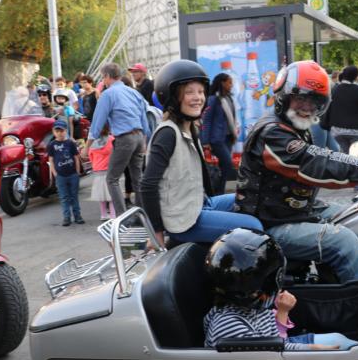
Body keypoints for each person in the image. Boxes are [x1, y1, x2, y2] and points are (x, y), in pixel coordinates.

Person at [236, 60, 358, 283]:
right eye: (301, 98)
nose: (307, 107)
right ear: (284, 95)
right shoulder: (273, 134)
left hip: (293, 211)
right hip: (270, 224)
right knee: (343, 241)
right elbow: (322, 164)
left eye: (314, 102)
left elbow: (326, 158)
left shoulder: (292, 127)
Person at [139, 59, 262, 246]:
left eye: (201, 91)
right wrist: (157, 231)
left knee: (253, 199)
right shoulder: (167, 133)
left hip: (199, 203)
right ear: (173, 97)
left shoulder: (188, 127)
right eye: (189, 92)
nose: (198, 97)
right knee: (254, 227)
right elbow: (148, 184)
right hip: (183, 219)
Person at [204, 228, 357, 351]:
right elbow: (272, 352)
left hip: (277, 347)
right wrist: (311, 349)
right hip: (274, 359)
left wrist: (282, 311)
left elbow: (273, 339)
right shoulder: (229, 328)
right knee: (343, 346)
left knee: (339, 340)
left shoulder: (248, 306)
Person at [82, 63, 149, 217]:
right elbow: (144, 116)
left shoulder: (108, 94)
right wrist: (144, 140)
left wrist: (87, 147)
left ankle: (122, 217)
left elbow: (97, 123)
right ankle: (142, 215)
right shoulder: (133, 92)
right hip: (139, 136)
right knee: (137, 178)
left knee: (112, 179)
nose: (103, 81)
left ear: (107, 76)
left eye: (103, 77)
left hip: (125, 138)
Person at [201, 72, 238, 194]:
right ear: (222, 83)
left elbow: (231, 117)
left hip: (228, 138)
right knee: (227, 164)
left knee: (225, 167)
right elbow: (207, 120)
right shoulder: (213, 99)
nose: (231, 85)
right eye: (229, 82)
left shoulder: (228, 98)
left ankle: (218, 192)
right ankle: (218, 192)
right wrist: (205, 142)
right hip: (217, 139)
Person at [327, 65, 358, 153]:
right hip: (357, 130)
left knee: (344, 157)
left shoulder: (336, 89)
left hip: (338, 130)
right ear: (356, 76)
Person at [47, 120, 84, 226]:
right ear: (53, 132)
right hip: (60, 176)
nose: (59, 133)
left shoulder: (70, 143)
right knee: (64, 197)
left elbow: (76, 157)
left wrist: (77, 171)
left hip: (72, 174)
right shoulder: (52, 145)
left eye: (62, 131)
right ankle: (66, 217)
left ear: (66, 131)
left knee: (74, 196)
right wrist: (54, 173)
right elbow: (51, 160)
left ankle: (77, 216)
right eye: (57, 131)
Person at [88, 126, 117, 221]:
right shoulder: (111, 139)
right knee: (111, 195)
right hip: (109, 170)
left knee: (101, 195)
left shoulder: (92, 143)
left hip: (98, 172)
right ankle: (113, 215)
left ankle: (103, 214)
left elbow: (90, 156)